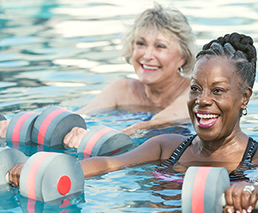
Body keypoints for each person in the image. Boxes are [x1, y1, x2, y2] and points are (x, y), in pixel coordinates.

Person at [8, 33, 258, 213]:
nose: (202, 100)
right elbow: (109, 165)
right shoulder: (167, 147)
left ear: (244, 98)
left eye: (218, 91)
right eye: (195, 88)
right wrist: (43, 168)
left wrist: (250, 191)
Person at [0, 3, 197, 144]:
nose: (147, 55)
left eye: (160, 46)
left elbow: (152, 125)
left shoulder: (194, 91)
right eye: (141, 43)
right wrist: (27, 124)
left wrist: (103, 138)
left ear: (183, 57)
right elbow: (82, 115)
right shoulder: (123, 89)